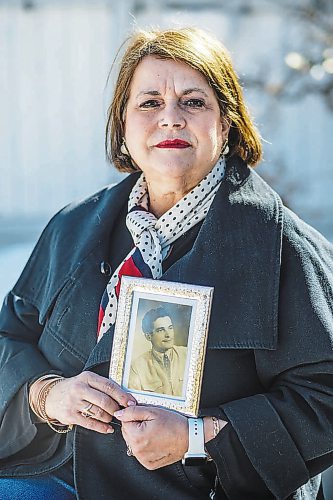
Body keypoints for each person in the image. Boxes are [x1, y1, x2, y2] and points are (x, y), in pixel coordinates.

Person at [0, 26, 333, 500]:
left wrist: (199, 437)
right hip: (57, 473)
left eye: (193, 102)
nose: (171, 118)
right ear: (123, 125)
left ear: (229, 122)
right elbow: (9, 336)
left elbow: (324, 397)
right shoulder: (71, 228)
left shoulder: (286, 248)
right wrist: (46, 394)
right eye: (150, 102)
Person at [128, 306, 187, 396]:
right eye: (161, 330)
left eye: (170, 328)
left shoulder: (188, 355)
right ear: (148, 336)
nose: (168, 335)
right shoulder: (137, 367)